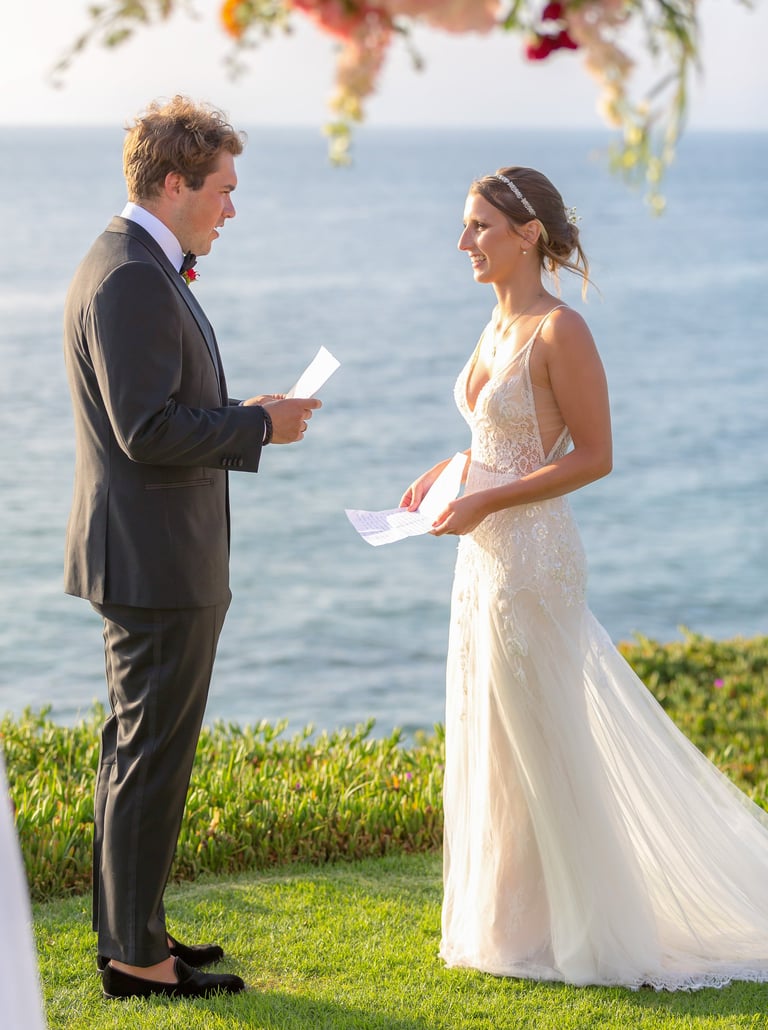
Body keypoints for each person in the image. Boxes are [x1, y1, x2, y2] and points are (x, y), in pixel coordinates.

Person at [400, 166, 768, 991]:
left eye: (480, 227)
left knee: (547, 738)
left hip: (533, 560)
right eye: (466, 227)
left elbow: (594, 457)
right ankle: (514, 923)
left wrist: (490, 491)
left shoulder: (561, 332)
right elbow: (500, 439)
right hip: (483, 550)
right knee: (496, 738)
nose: (465, 243)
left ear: (527, 233)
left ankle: (596, 933)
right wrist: (455, 468)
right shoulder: (495, 323)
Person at [62, 96, 321, 1001]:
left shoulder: (132, 262)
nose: (231, 208)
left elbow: (161, 414)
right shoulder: (133, 274)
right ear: (175, 184)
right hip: (155, 563)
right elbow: (144, 430)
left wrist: (237, 415)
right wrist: (257, 424)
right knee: (148, 756)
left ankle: (136, 933)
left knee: (137, 751)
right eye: (223, 189)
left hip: (149, 555)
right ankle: (136, 960)